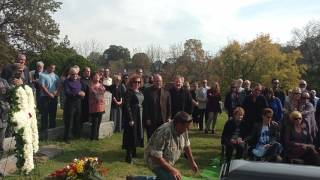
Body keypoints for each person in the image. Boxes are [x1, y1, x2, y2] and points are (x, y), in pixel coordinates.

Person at [145, 111, 199, 180]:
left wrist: (192, 162)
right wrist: (172, 170)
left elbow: (186, 145)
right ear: (179, 125)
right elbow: (156, 156)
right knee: (173, 178)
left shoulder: (184, 129)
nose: (187, 130)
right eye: (186, 128)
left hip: (166, 160)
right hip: (154, 161)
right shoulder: (164, 132)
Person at [122, 74, 144, 163]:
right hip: (132, 115)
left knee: (136, 134)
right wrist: (130, 118)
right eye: (135, 82)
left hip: (140, 115)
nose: (137, 84)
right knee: (131, 135)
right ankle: (129, 156)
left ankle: (134, 153)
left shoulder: (140, 91)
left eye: (139, 82)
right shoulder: (129, 92)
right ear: (132, 82)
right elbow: (127, 106)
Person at [143, 74, 171, 139]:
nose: (158, 83)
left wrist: (169, 117)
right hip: (151, 119)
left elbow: (169, 106)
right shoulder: (147, 91)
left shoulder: (166, 92)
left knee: (162, 137)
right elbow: (145, 105)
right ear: (153, 81)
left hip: (163, 119)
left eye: (160, 81)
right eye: (156, 81)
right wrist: (147, 118)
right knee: (151, 137)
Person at [63, 67, 85, 142]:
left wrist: (82, 93)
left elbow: (80, 90)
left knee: (77, 119)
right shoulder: (66, 82)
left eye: (76, 74)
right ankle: (67, 137)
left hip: (78, 102)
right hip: (70, 103)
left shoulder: (78, 81)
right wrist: (77, 93)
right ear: (70, 74)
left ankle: (76, 134)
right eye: (73, 74)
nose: (75, 75)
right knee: (69, 120)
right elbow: (67, 92)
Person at [39, 64, 60, 134]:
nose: (52, 69)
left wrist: (56, 93)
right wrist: (49, 94)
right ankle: (44, 130)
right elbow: (42, 86)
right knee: (44, 114)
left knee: (53, 113)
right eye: (51, 68)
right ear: (47, 67)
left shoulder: (56, 76)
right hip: (44, 97)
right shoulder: (42, 75)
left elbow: (58, 86)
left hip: (53, 97)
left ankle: (52, 129)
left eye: (53, 68)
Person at [89, 72, 106, 140]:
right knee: (94, 122)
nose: (97, 77)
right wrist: (100, 92)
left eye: (98, 76)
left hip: (101, 106)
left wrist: (100, 91)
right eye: (96, 76)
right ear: (93, 78)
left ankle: (97, 136)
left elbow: (102, 92)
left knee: (99, 122)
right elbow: (96, 95)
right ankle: (92, 136)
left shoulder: (101, 85)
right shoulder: (91, 86)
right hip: (94, 106)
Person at [0, 78, 10, 153]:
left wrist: (4, 88)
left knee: (3, 128)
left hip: (3, 110)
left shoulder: (3, 81)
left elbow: (9, 92)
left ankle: (1, 147)